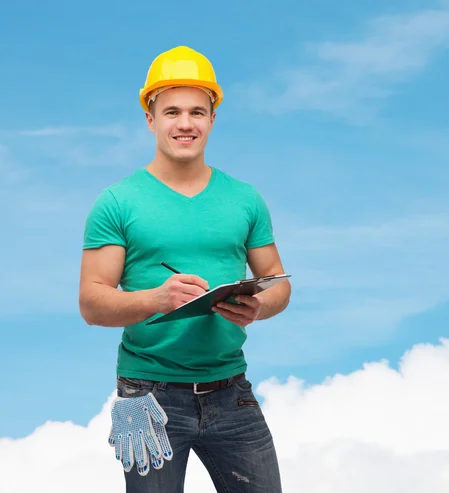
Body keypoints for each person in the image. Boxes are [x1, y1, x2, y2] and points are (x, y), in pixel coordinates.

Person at [78, 45, 291, 493]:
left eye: (198, 111)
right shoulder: (118, 202)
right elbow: (92, 302)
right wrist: (157, 299)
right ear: (150, 118)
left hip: (232, 391)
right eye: (171, 111)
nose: (185, 123)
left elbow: (277, 280)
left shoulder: (245, 198)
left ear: (213, 119)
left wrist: (258, 307)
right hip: (147, 396)